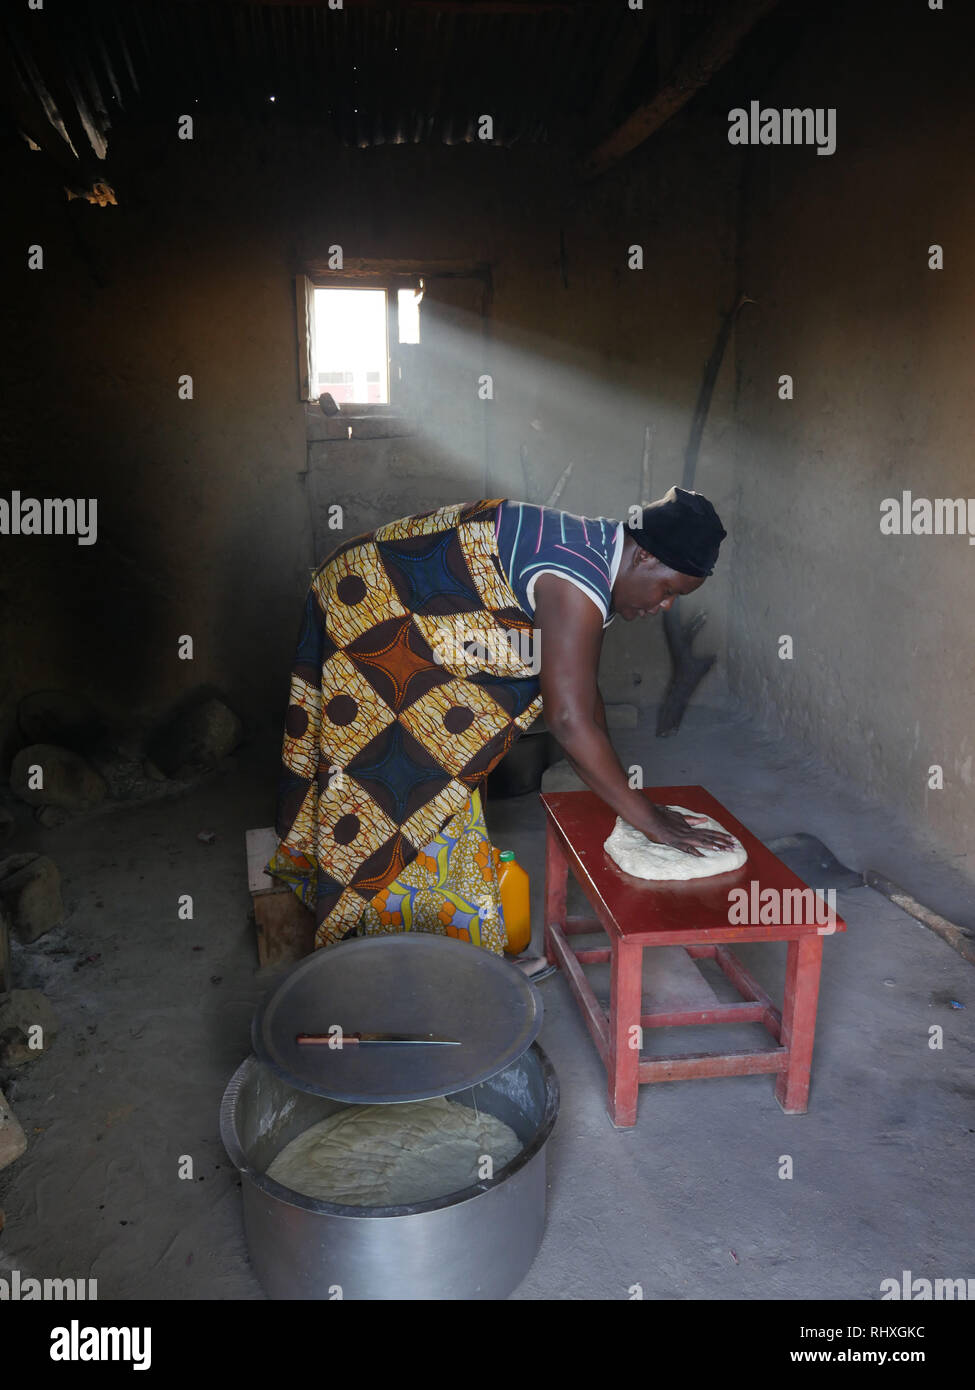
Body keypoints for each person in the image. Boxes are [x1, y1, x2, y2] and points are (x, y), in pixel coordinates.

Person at [267, 487, 733, 972]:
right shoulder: (575, 576)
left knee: (447, 774)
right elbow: (568, 720)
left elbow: (581, 692)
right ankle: (357, 960)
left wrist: (625, 793)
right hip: (367, 601)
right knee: (393, 783)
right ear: (644, 554)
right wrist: (649, 821)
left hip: (396, 601)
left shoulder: (598, 559)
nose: (666, 607)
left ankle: (451, 957)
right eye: (670, 590)